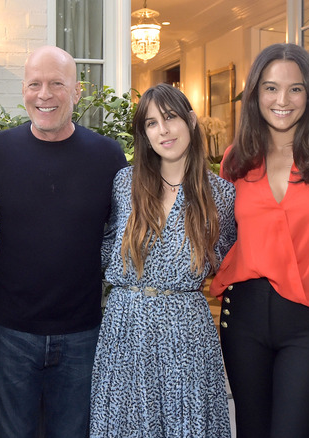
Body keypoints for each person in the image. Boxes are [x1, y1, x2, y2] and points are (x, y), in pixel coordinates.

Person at [211, 43, 309, 438]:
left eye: (295, 89)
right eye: (270, 88)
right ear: (255, 94)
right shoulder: (236, 158)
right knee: (251, 431)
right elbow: (219, 230)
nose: (282, 100)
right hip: (242, 316)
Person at [0, 46, 127, 437]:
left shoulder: (108, 156)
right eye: (35, 84)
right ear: (23, 91)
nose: (44, 94)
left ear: (76, 92)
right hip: (11, 332)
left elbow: (124, 234)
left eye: (56, 84)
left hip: (83, 333)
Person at [90, 83, 236, 437]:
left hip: (186, 332)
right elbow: (104, 245)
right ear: (144, 134)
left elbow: (229, 255)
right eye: (152, 123)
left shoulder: (221, 193)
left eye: (170, 118)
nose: (163, 130)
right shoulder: (124, 183)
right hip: (125, 329)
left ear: (191, 120)